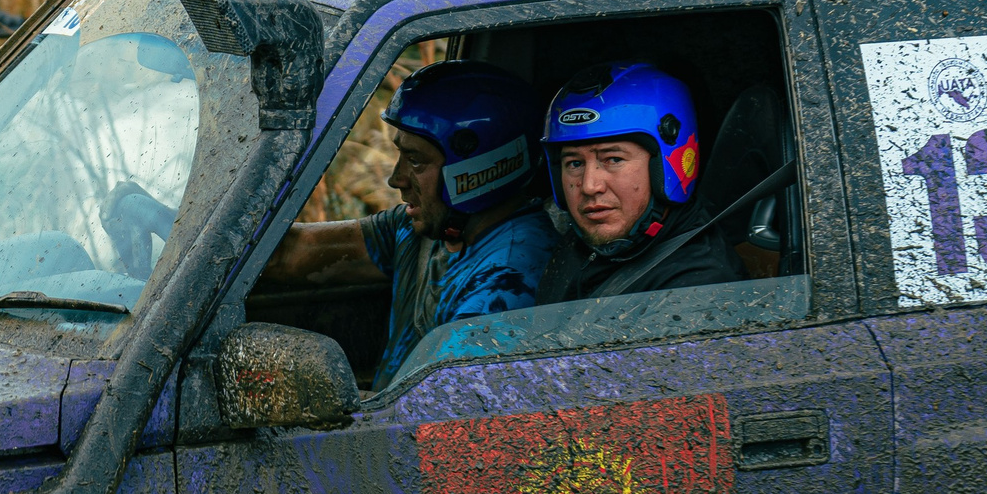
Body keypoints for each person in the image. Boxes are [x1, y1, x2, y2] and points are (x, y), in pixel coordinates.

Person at [262, 62, 557, 386]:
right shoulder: (424, 229)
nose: (396, 179)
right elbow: (288, 254)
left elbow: (439, 403)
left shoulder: (507, 283)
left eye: (415, 161)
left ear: (479, 168)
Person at [535, 62, 741, 305]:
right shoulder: (580, 246)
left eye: (613, 159)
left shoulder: (698, 289)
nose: (590, 186)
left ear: (664, 167)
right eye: (575, 163)